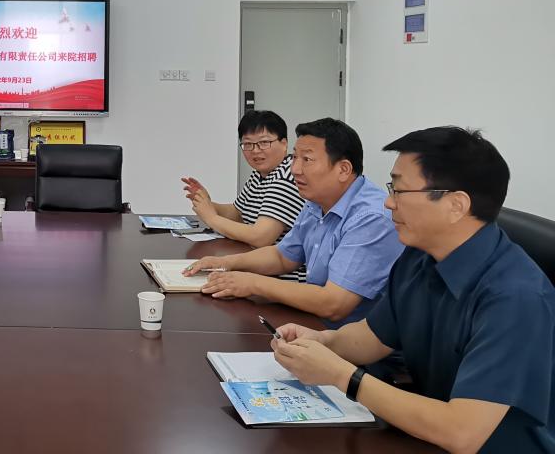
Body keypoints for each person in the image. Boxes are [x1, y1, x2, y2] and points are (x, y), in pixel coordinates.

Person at [271, 127, 555, 453]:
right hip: (425, 434)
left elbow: (462, 433)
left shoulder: (516, 297)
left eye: (400, 190)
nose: (388, 202)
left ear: (456, 205)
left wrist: (342, 375)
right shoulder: (419, 256)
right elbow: (370, 337)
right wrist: (322, 341)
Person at [185, 118, 403, 326]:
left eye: (306, 160)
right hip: (313, 322)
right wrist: (225, 263)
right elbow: (283, 256)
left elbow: (334, 304)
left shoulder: (370, 218)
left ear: (343, 169)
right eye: (295, 158)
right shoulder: (317, 200)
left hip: (348, 339)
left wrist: (253, 283)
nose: (295, 169)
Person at [181, 110, 306, 279]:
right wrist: (206, 201)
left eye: (264, 142)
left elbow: (261, 237)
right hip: (256, 267)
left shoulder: (287, 176)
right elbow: (238, 213)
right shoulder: (261, 174)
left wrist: (211, 218)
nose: (255, 150)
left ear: (284, 144)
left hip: (280, 277)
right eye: (248, 144)